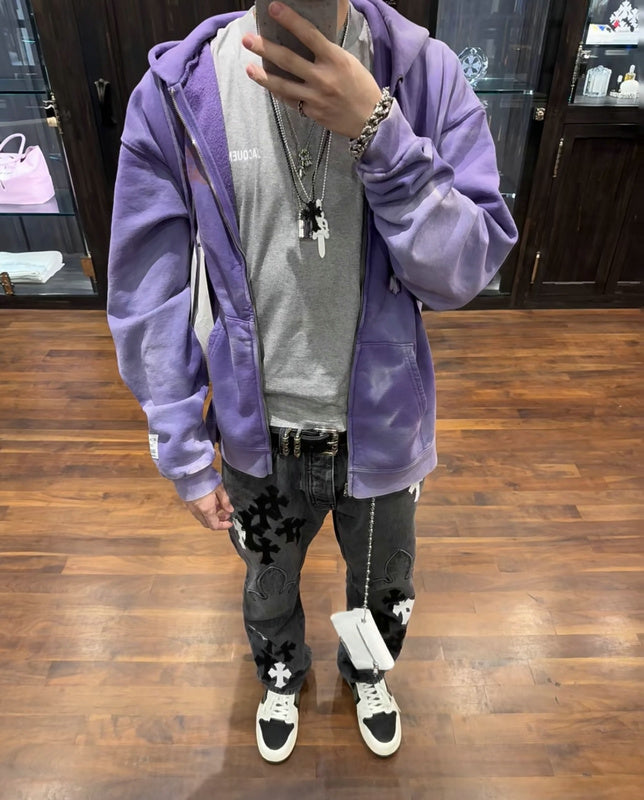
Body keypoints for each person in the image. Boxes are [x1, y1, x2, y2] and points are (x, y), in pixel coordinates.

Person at [107, 0, 518, 763]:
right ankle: (282, 675)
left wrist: (379, 130)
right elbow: (146, 291)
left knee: (384, 590)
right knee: (267, 586)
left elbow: (464, 269)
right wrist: (182, 449)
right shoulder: (177, 92)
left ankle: (367, 675)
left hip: (383, 436)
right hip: (254, 441)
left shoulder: (423, 76)